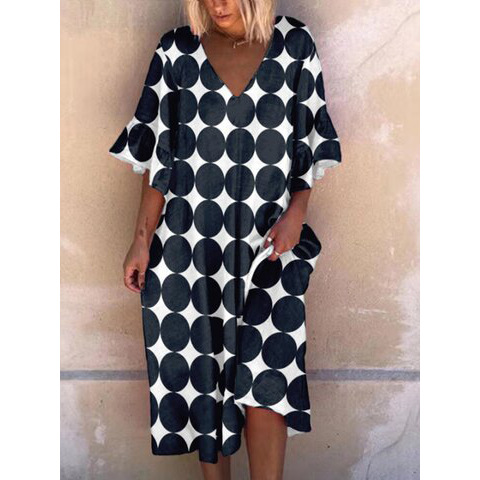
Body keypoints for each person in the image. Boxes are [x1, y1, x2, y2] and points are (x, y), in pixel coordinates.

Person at [108, 0, 342, 478]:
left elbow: (308, 143)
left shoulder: (295, 46)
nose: (217, 4)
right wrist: (141, 239)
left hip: (269, 245)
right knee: (204, 377)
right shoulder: (176, 52)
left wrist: (297, 215)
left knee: (268, 375)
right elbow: (159, 159)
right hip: (190, 247)